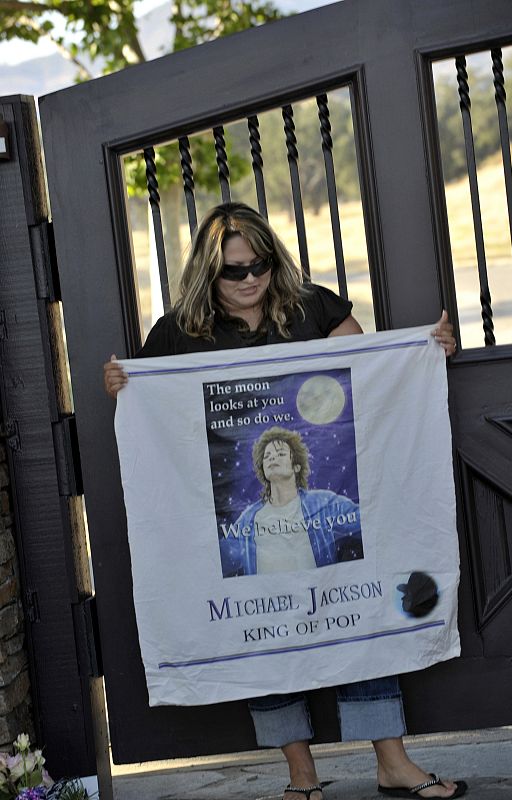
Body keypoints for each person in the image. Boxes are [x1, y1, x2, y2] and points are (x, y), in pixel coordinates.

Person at [104, 202, 466, 800]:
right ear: (207, 274)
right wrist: (119, 385)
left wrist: (424, 354)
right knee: (260, 637)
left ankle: (393, 765)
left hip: (333, 518)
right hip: (239, 533)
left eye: (260, 265)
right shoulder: (177, 332)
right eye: (234, 272)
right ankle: (301, 776)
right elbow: (150, 408)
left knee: (362, 622)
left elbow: (374, 374)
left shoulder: (313, 306)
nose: (250, 280)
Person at [220, 425, 363, 577]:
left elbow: (367, 520)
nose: (272, 458)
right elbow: (221, 559)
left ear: (296, 466)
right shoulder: (248, 519)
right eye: (267, 456)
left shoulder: (323, 503)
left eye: (280, 454)